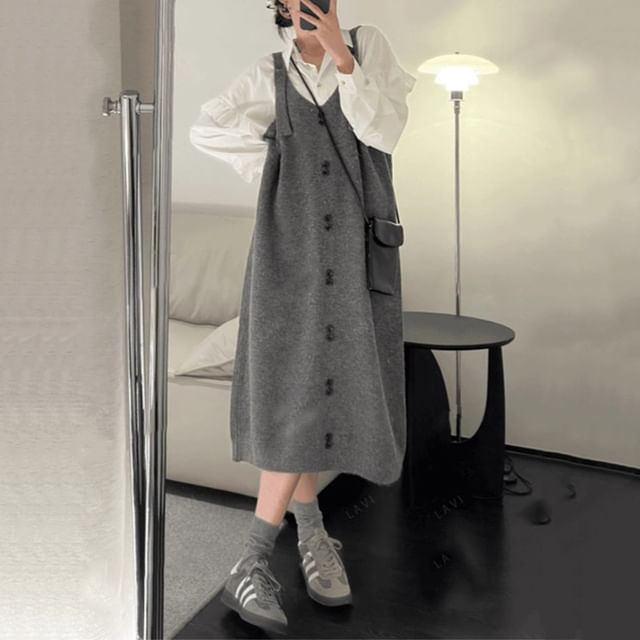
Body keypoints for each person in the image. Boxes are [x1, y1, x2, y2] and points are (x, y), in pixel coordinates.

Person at [189, 0, 416, 634]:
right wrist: (272, 161)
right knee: (297, 389)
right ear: (280, 6)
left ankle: (308, 534)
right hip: (288, 250)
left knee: (326, 389)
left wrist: (342, 55)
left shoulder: (369, 47)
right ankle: (265, 554)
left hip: (357, 249)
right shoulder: (268, 72)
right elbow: (207, 128)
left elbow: (385, 132)